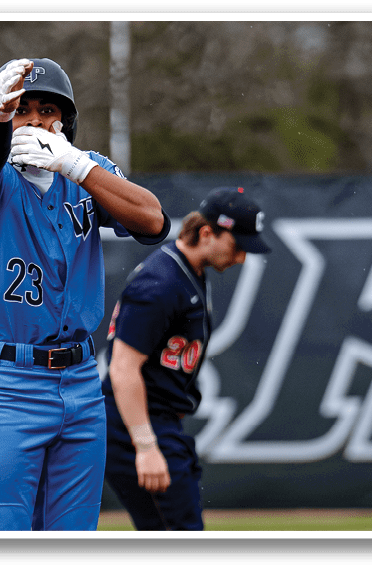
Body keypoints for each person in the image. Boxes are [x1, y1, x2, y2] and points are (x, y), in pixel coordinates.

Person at [0, 57, 171, 531]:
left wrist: (76, 166)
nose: (34, 120)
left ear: (64, 120)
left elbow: (154, 221)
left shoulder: (86, 173)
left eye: (46, 109)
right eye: (21, 109)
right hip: (9, 380)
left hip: (79, 383)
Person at [102, 186, 272, 530]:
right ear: (207, 232)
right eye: (237, 245)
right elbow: (122, 369)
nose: (240, 257)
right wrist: (146, 446)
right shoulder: (161, 283)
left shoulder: (186, 272)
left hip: (157, 422)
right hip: (137, 427)